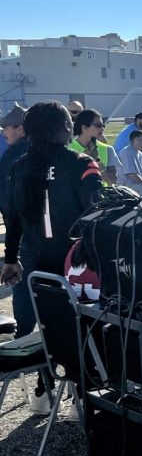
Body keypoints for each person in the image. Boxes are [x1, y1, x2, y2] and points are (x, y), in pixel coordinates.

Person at [2, 101, 104, 338]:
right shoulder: (81, 163)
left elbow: (13, 216)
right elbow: (97, 215)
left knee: (28, 336)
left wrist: (10, 258)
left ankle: (40, 369)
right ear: (67, 128)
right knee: (81, 334)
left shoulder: (19, 166)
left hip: (32, 262)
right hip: (75, 265)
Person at [69, 109, 120, 185]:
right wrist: (84, 161)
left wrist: (97, 161)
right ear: (84, 127)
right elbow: (66, 178)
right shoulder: (67, 147)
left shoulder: (108, 149)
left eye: (103, 125)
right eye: (98, 125)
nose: (102, 129)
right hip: (77, 196)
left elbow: (112, 181)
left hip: (100, 195)